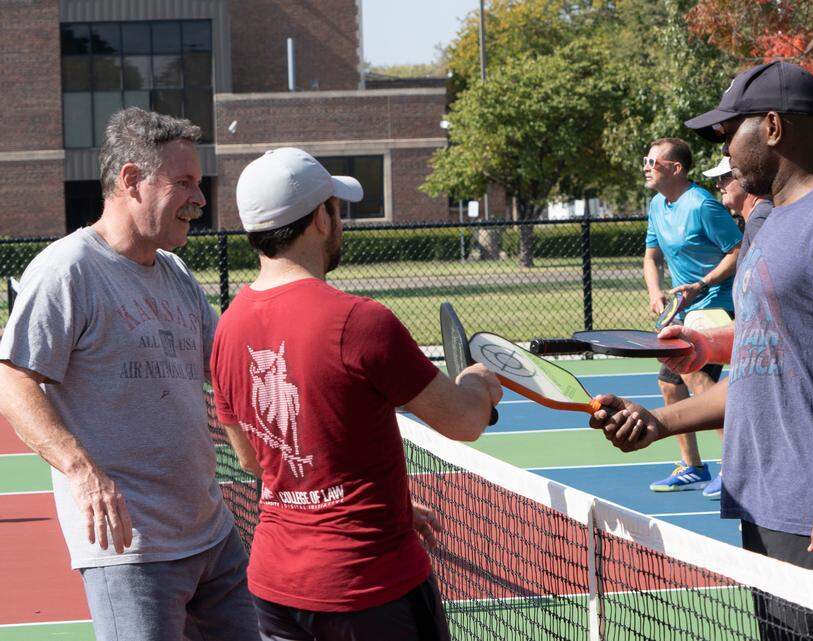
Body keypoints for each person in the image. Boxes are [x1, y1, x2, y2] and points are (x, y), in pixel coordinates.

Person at [594, 61, 813, 597]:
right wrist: (659, 421)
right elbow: (757, 372)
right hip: (762, 502)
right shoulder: (764, 219)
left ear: (770, 128)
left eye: (727, 134)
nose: (723, 152)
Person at [209, 147, 502, 641]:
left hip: (275, 586)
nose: (340, 220)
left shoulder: (227, 327)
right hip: (368, 587)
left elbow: (255, 461)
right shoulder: (361, 322)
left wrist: (385, 503)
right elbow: (465, 422)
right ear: (320, 219)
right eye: (335, 208)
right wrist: (478, 381)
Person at [0, 108, 258, 640]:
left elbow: (228, 369)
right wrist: (81, 471)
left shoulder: (176, 274)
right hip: (131, 552)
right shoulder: (68, 269)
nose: (201, 198)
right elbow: (14, 379)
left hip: (212, 537)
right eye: (184, 182)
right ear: (132, 180)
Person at [642, 138, 742, 497]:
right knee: (671, 382)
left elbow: (738, 250)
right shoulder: (656, 205)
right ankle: (693, 467)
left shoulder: (703, 205)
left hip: (716, 304)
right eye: (646, 160)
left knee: (699, 380)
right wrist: (655, 292)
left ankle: (736, 468)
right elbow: (651, 256)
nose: (647, 166)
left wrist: (702, 283)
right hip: (684, 310)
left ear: (676, 168)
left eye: (653, 161)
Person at [702, 156, 772, 257]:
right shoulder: (757, 215)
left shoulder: (759, 219)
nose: (718, 184)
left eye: (724, 177)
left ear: (746, 178)